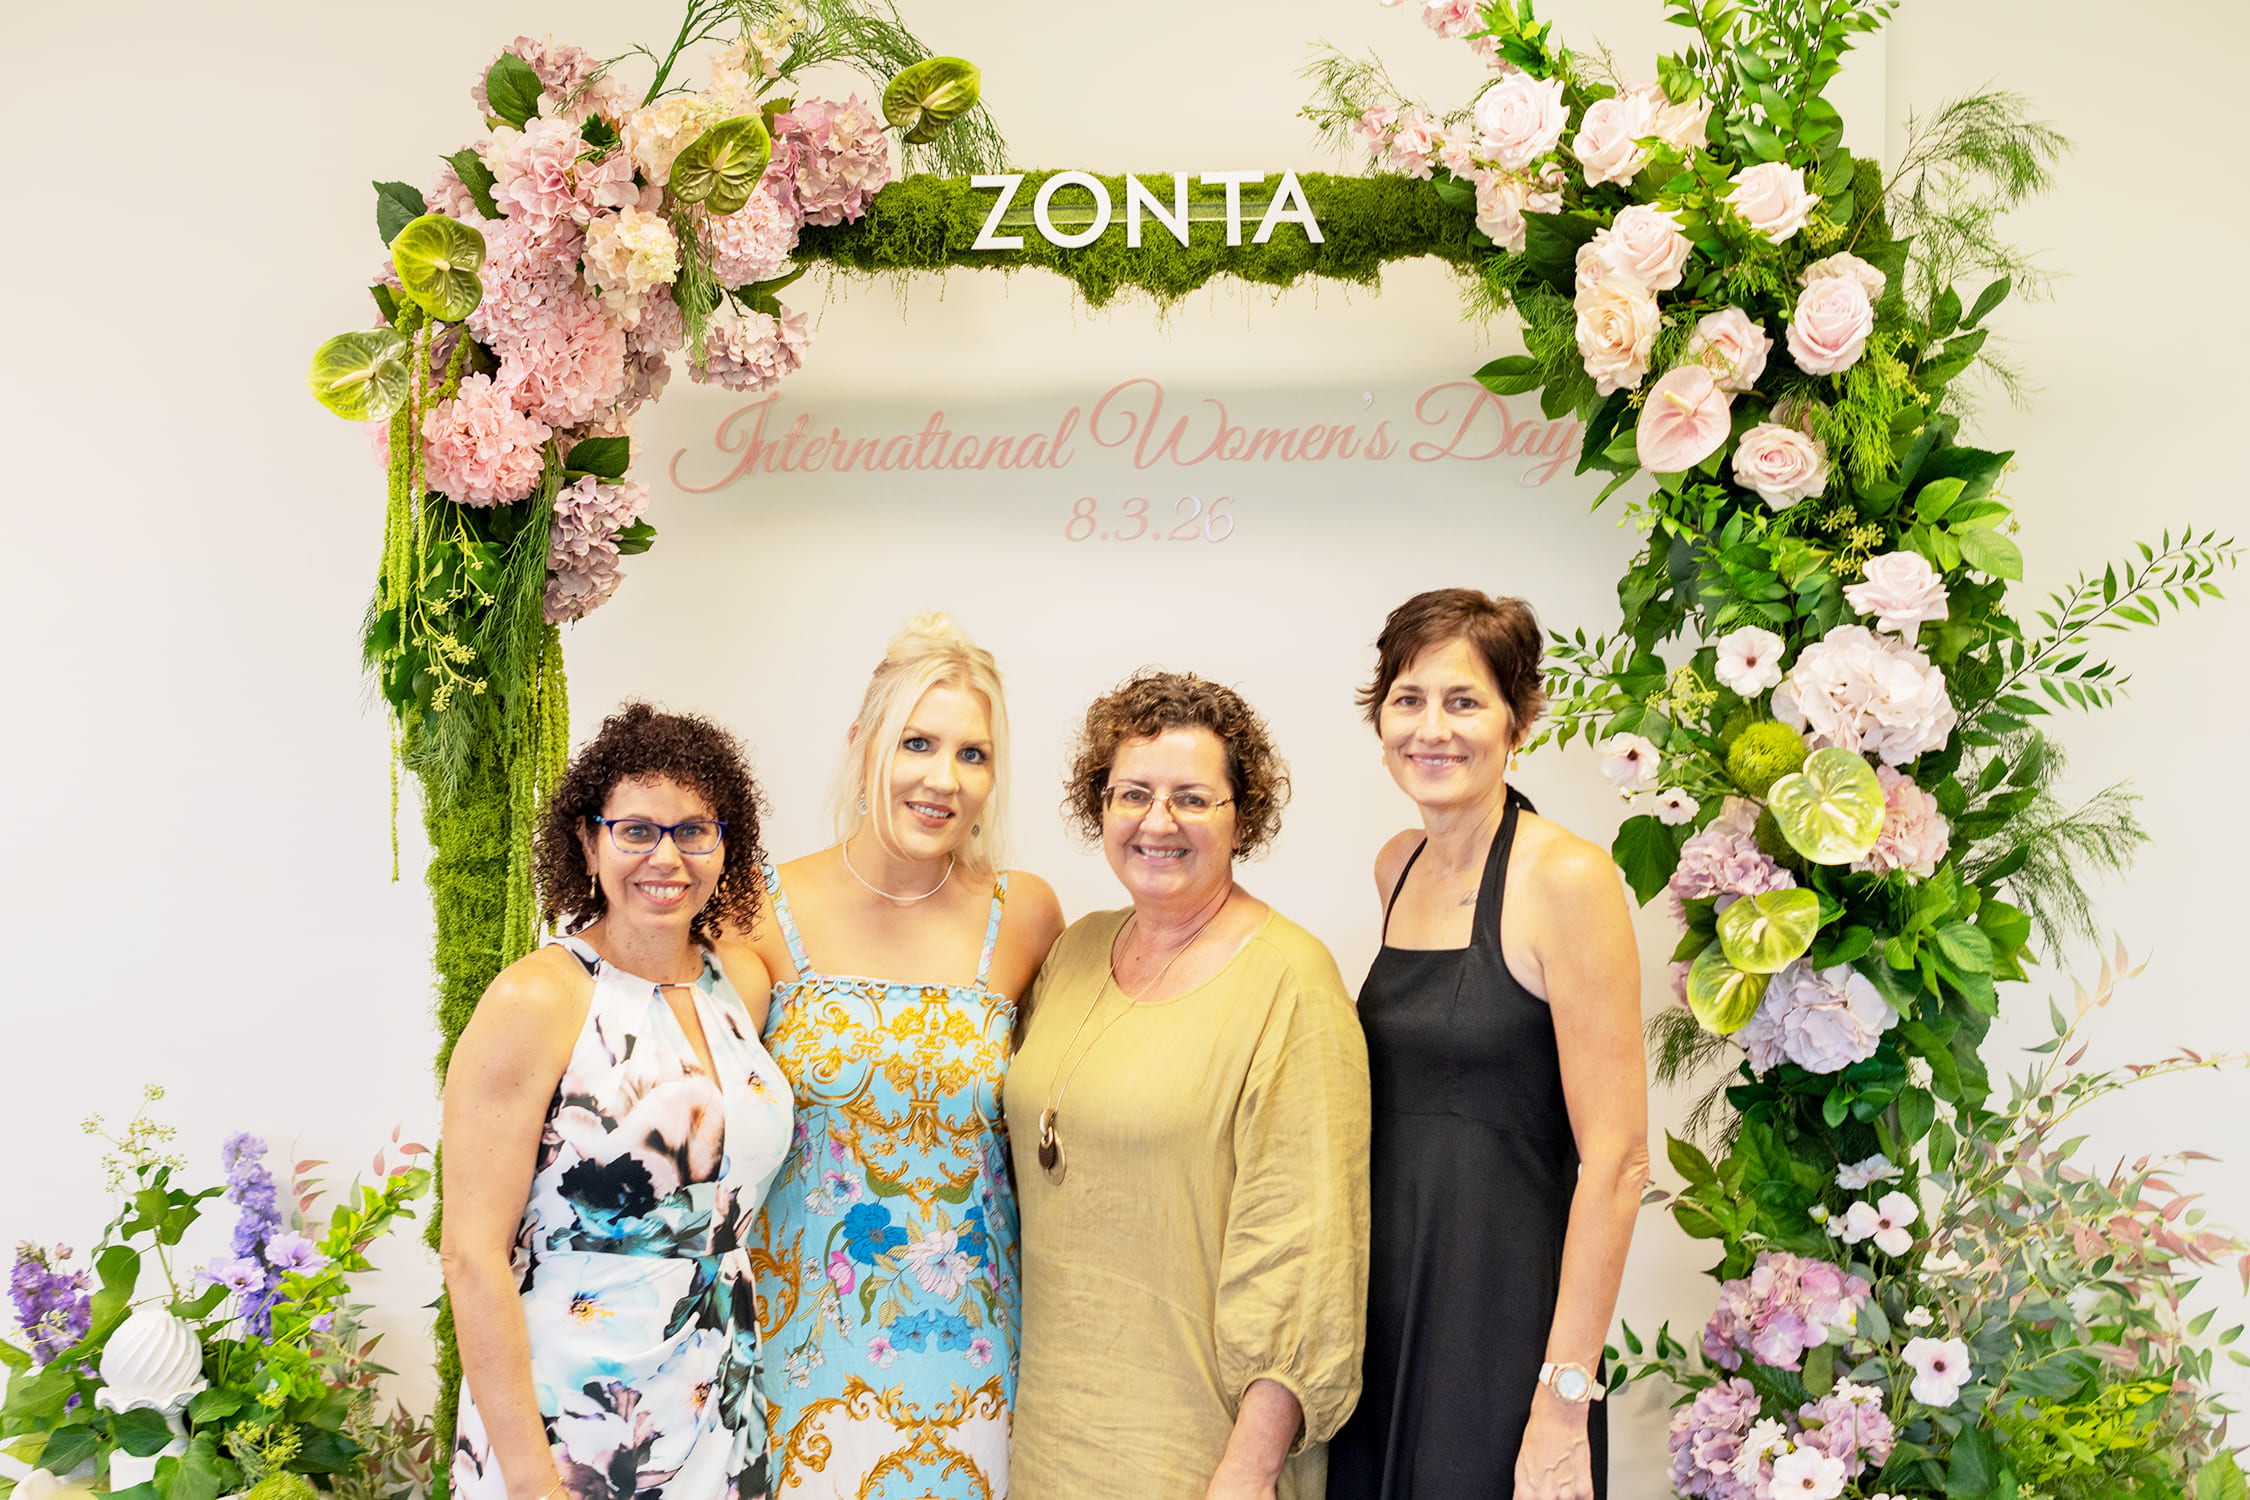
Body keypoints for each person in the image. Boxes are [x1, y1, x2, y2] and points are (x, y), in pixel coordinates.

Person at [714, 614, 1063, 1500]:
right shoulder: (757, 903)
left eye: (973, 754)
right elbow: (702, 1105)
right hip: (805, 1363)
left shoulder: (1024, 915)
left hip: (981, 1365)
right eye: (917, 742)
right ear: (863, 743)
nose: (943, 780)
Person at [1009, 669, 1370, 1500]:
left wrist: (1245, 1474)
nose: (1158, 821)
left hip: (1200, 1454)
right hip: (1053, 1439)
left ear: (1242, 817)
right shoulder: (1074, 952)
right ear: (1097, 806)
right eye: (1132, 792)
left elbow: (1307, 1262)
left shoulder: (1292, 982)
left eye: (1193, 798)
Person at [1327, 589, 1649, 1500]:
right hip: (1381, 1315)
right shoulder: (1397, 865)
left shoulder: (1569, 878)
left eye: (1464, 701)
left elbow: (1618, 1162)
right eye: (1408, 698)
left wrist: (1561, 1404)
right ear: (1381, 715)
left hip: (1502, 1338)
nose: (1433, 728)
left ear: (1520, 718)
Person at [440, 702, 794, 1500]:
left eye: (693, 831)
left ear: (723, 846)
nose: (665, 857)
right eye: (636, 830)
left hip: (719, 1400)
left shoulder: (737, 983)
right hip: (572, 1415)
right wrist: (532, 1480)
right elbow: (471, 1255)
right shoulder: (538, 999)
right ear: (590, 842)